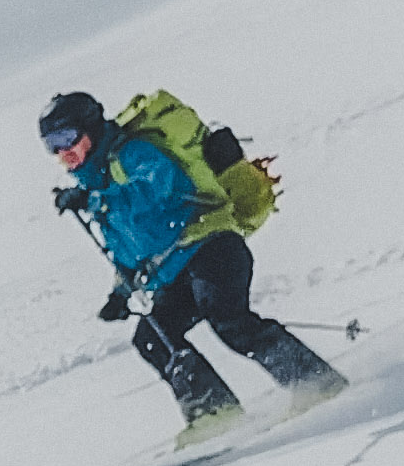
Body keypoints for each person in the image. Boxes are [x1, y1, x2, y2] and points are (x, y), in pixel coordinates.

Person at [38, 91, 347, 447]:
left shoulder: (131, 153)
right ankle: (214, 413)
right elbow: (130, 247)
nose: (64, 152)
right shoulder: (99, 185)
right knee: (152, 337)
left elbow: (159, 186)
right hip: (177, 270)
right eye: (53, 146)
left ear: (90, 127)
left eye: (67, 138)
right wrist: (120, 293)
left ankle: (315, 383)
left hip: (212, 246)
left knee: (229, 320)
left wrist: (96, 200)